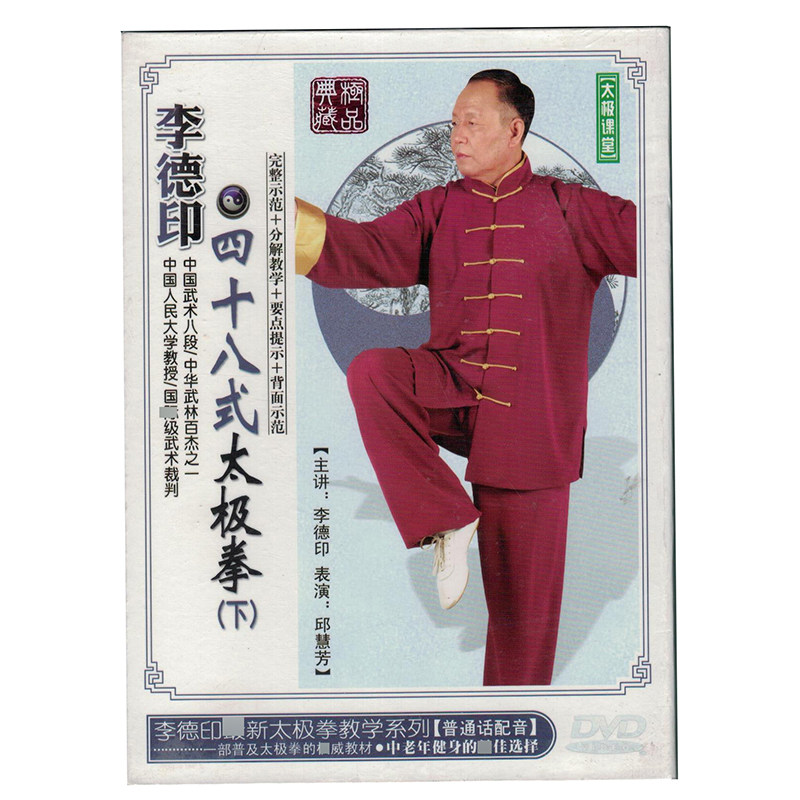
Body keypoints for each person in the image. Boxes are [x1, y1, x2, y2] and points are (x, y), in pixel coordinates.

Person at [295, 70, 636, 686]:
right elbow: (364, 250)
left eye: (472, 123)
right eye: (454, 124)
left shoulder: (572, 206)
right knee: (374, 371)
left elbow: (661, 241)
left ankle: (511, 729)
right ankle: (446, 517)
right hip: (452, 389)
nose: (457, 136)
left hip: (531, 428)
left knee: (521, 622)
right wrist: (281, 219)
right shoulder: (439, 206)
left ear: (515, 130)